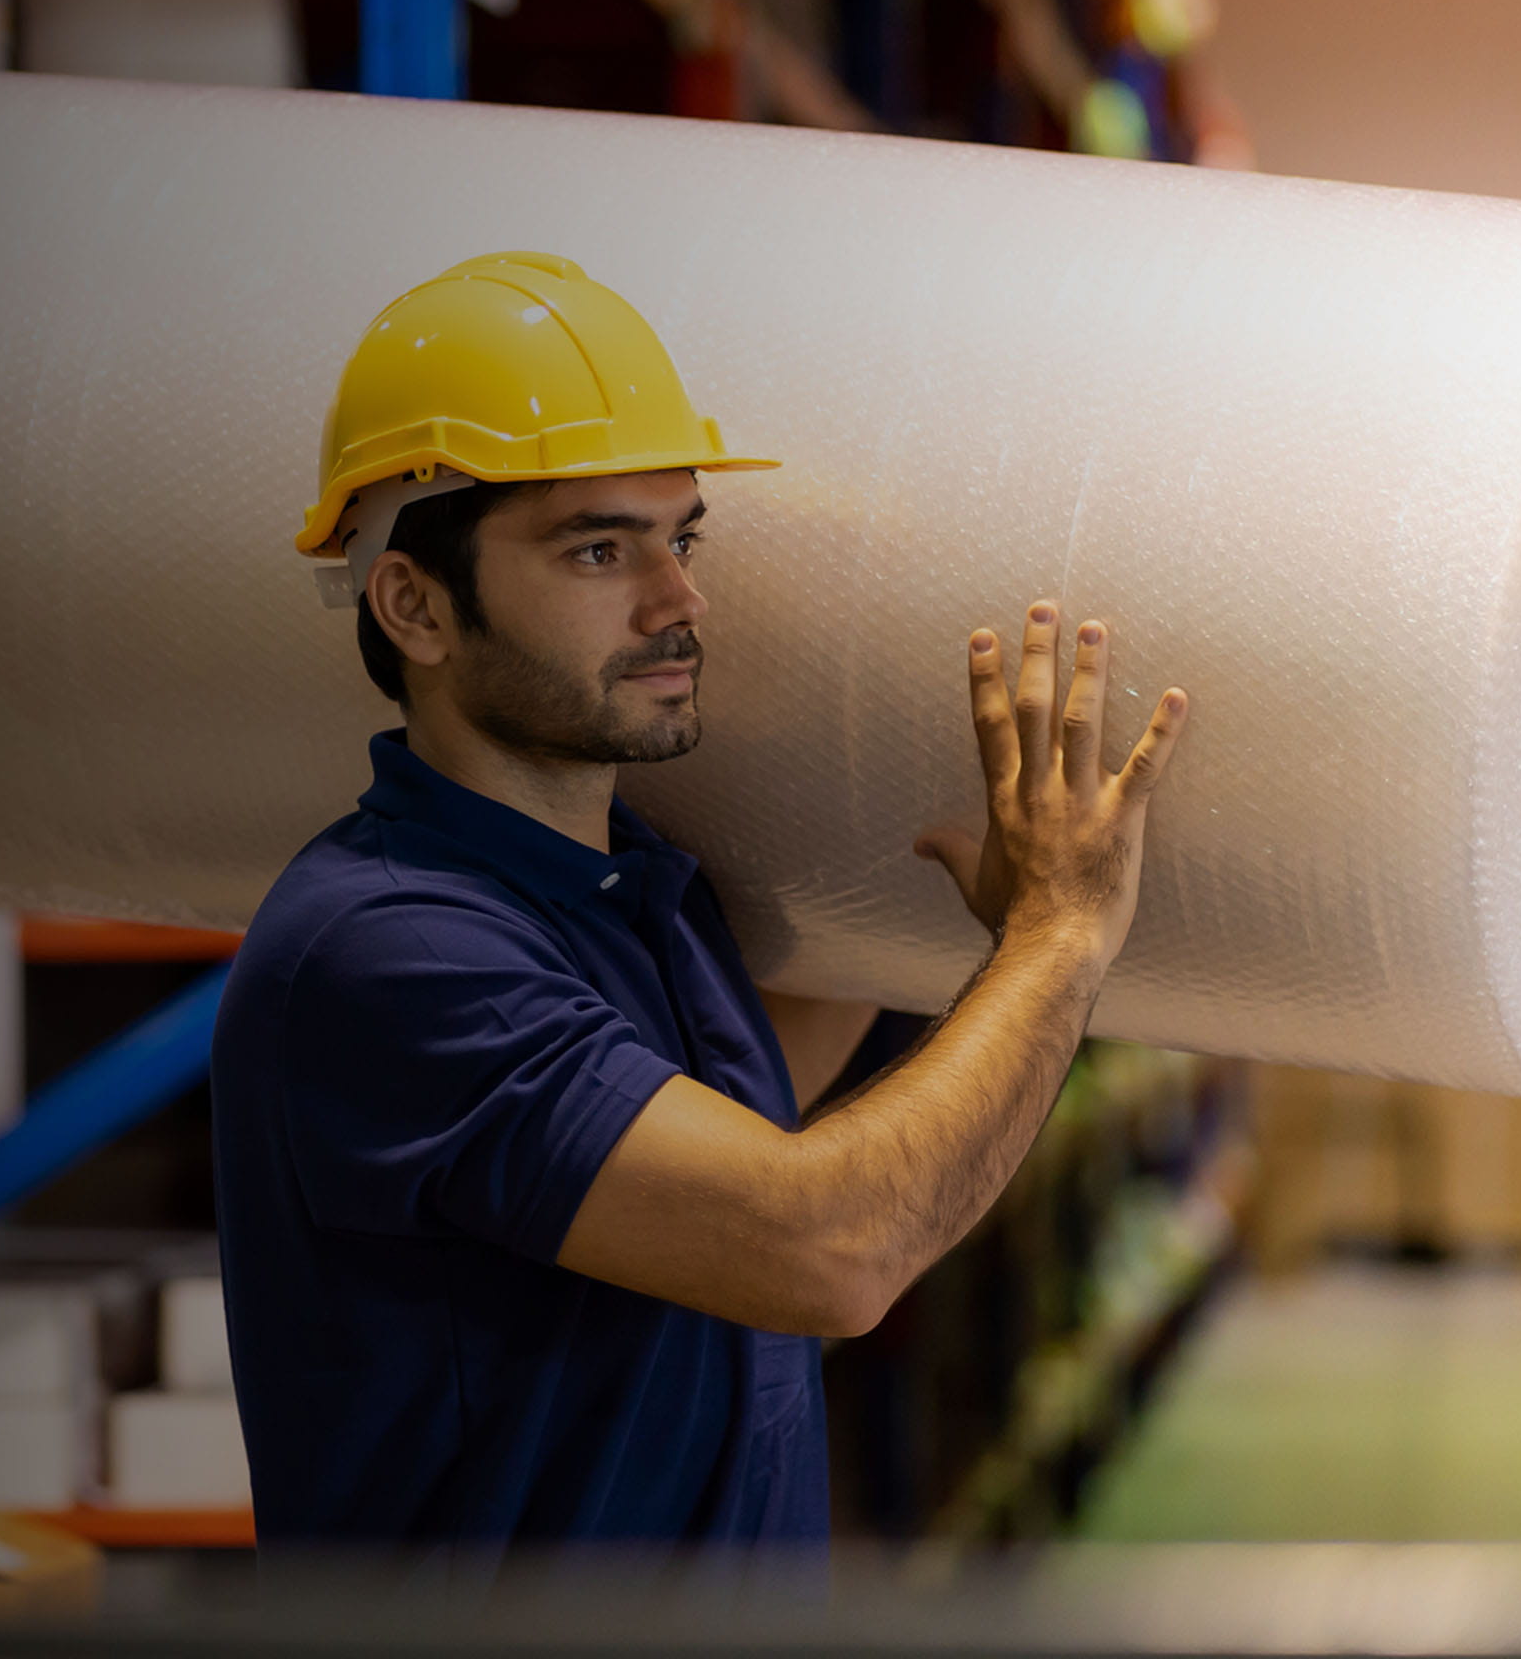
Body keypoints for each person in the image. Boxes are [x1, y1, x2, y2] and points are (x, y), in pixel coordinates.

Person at [207, 253, 1191, 1571]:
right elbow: (823, 1246)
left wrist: (968, 936)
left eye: (682, 538)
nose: (680, 603)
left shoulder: (634, 887)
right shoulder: (391, 951)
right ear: (416, 606)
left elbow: (731, 1138)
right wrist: (1059, 940)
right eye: (599, 547)